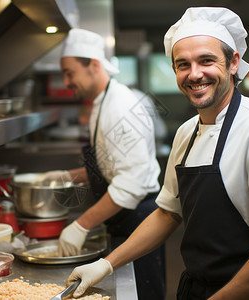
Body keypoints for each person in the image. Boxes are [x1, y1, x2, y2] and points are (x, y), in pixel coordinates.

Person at [64, 7, 249, 300]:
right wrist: (107, 264)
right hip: (196, 288)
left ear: (234, 62)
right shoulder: (186, 132)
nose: (194, 74)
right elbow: (169, 213)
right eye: (183, 64)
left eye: (206, 60)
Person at [38, 28, 166, 299]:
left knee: (143, 294)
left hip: (138, 218)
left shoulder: (118, 107)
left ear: (94, 65)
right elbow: (111, 164)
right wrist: (66, 176)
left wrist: (81, 224)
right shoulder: (102, 102)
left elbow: (129, 183)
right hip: (124, 216)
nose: (65, 81)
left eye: (69, 73)